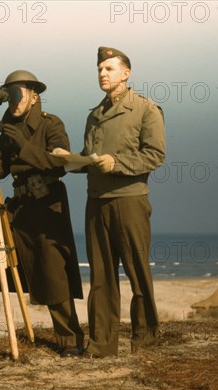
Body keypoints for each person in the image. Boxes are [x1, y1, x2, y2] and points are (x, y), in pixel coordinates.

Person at [0, 70, 85, 358]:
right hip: (19, 204)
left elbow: (58, 164)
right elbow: (1, 170)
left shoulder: (51, 124)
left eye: (18, 94)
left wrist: (24, 147)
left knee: (52, 271)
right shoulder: (8, 124)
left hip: (47, 204)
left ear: (34, 95)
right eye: (9, 94)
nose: (13, 101)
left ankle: (69, 340)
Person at [76, 47, 166, 357]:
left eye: (110, 69)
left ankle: (145, 342)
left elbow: (155, 155)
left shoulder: (145, 109)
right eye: (100, 69)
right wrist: (71, 161)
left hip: (129, 202)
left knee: (138, 272)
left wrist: (117, 164)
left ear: (126, 74)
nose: (102, 73)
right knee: (101, 277)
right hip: (96, 202)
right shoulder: (94, 115)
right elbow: (92, 156)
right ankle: (101, 345)